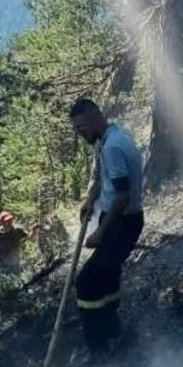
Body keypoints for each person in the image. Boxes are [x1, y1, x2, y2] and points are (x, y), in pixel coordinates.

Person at [69, 97, 146, 352]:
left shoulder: (113, 147)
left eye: (81, 128)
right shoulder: (109, 138)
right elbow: (105, 177)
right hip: (116, 219)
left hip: (123, 223)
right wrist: (91, 199)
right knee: (108, 276)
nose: (80, 134)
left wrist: (101, 232)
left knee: (87, 281)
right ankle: (113, 331)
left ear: (93, 119)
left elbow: (123, 196)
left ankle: (98, 347)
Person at [0, 210, 29, 276]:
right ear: (2, 222)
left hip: (15, 264)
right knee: (3, 283)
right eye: (7, 221)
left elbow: (30, 238)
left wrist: (34, 229)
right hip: (2, 265)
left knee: (17, 284)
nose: (10, 222)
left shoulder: (18, 230)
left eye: (11, 220)